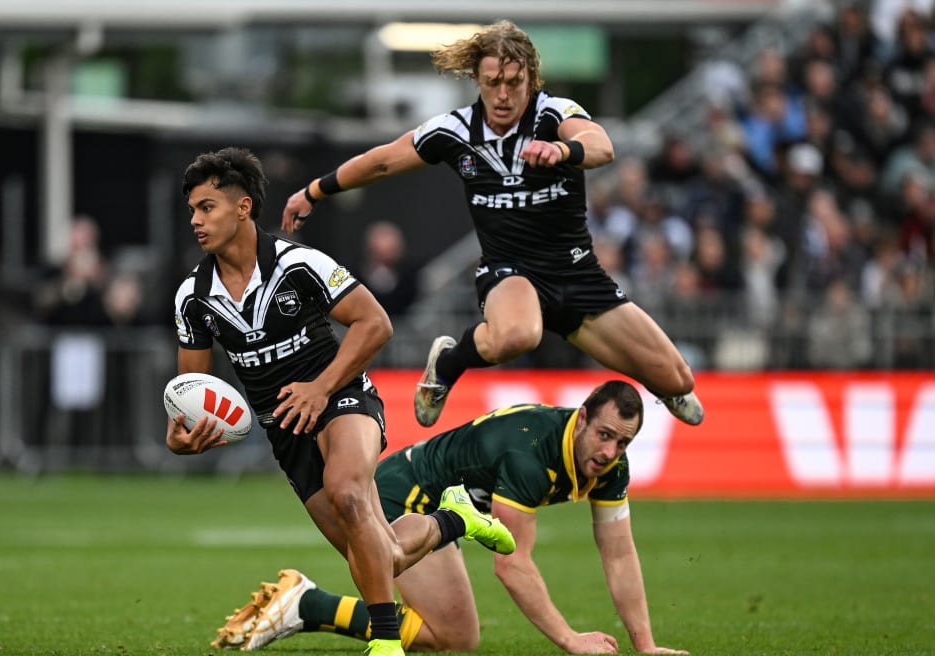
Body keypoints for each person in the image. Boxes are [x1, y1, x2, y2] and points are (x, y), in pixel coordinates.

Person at [166, 147, 515, 656]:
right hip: (285, 431)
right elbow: (191, 396)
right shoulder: (193, 297)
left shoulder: (298, 263)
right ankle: (456, 517)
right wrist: (184, 438)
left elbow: (375, 323)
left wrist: (321, 387)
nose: (195, 220)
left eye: (206, 207)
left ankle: (385, 643)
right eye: (192, 210)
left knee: (349, 493)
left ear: (243, 208)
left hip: (342, 397)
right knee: (381, 554)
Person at [281, 20, 703, 429]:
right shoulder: (455, 129)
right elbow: (384, 160)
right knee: (518, 336)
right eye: (491, 83)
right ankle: (448, 363)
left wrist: (563, 151)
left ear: (531, 79)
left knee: (679, 380)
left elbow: (601, 146)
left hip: (576, 273)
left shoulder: (554, 113)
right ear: (476, 80)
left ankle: (645, 371)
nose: (502, 95)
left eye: (513, 83)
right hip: (510, 271)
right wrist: (314, 191)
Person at [217, 380, 687, 655]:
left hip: (438, 503)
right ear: (581, 418)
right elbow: (513, 563)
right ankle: (309, 604)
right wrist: (570, 639)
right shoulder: (530, 452)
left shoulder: (607, 464)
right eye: (605, 435)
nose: (610, 452)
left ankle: (307, 603)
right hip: (405, 498)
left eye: (622, 442)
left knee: (457, 638)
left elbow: (620, 553)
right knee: (451, 635)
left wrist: (644, 646)